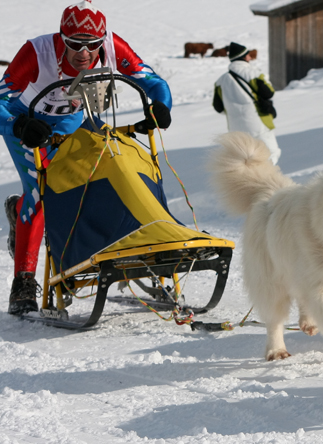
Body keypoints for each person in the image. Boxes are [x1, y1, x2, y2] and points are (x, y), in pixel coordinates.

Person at [0, 0, 173, 316]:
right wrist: (20, 124)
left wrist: (161, 106)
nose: (84, 53)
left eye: (92, 45)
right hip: (25, 123)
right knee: (41, 192)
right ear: (61, 39)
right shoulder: (36, 53)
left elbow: (154, 81)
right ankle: (23, 282)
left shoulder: (112, 45)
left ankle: (135, 256)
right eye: (74, 45)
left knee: (107, 176)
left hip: (71, 121)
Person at [213, 42, 280, 165]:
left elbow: (218, 107)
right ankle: (265, 180)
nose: (250, 57)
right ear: (244, 57)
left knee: (245, 159)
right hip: (258, 122)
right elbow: (269, 93)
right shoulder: (254, 73)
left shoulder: (220, 81)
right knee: (270, 153)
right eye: (248, 55)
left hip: (235, 127)